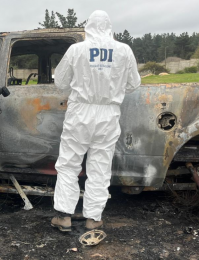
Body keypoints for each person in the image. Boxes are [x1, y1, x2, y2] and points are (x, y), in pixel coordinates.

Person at [51, 10, 141, 232]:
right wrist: (112, 87)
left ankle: (63, 216)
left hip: (80, 112)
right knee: (100, 167)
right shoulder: (124, 50)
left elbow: (61, 83)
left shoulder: (76, 50)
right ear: (109, 27)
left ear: (88, 27)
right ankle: (94, 218)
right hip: (108, 113)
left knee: (69, 164)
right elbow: (133, 84)